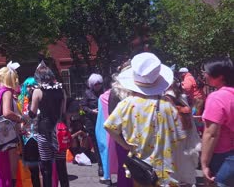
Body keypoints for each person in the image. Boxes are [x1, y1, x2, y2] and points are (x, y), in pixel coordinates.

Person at [104, 52, 187, 186]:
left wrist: (126, 145)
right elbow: (180, 136)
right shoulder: (167, 105)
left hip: (141, 167)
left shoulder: (127, 104)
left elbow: (109, 126)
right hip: (165, 167)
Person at [30, 61, 69, 187]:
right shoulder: (61, 89)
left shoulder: (38, 91)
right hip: (59, 132)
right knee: (61, 165)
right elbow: (63, 112)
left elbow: (33, 113)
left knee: (46, 166)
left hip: (44, 132)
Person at [0, 62, 25, 187]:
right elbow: (7, 112)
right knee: (8, 169)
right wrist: (20, 118)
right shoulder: (7, 92)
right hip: (7, 137)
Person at [200, 58, 234, 187]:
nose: (204, 75)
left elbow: (211, 134)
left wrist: (204, 164)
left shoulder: (217, 97)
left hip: (223, 157)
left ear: (220, 76)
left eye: (206, 72)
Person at [80, 73, 104, 176]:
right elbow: (83, 107)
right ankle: (101, 165)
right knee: (96, 144)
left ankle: (106, 163)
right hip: (92, 122)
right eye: (96, 84)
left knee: (104, 143)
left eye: (99, 83)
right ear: (92, 84)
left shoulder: (104, 93)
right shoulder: (87, 94)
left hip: (103, 121)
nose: (98, 85)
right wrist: (92, 111)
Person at [18, 77, 40, 187]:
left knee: (42, 168)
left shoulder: (40, 99)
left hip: (39, 136)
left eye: (33, 85)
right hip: (26, 137)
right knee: (32, 169)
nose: (30, 88)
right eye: (28, 85)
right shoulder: (21, 100)